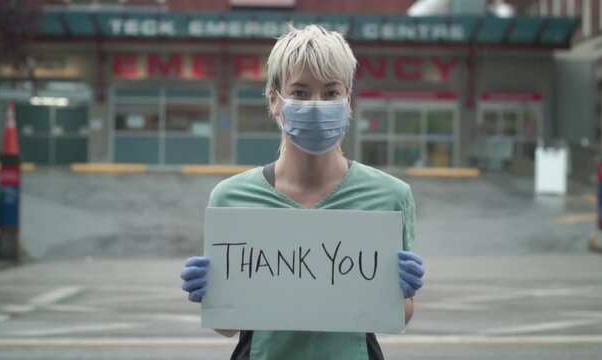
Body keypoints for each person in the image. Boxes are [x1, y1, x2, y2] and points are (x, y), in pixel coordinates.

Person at [180, 24, 425, 360]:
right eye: (299, 92)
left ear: (348, 101)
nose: (315, 104)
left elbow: (398, 315)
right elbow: (227, 326)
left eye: (330, 93)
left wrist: (403, 291)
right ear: (274, 101)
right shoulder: (231, 198)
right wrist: (209, 293)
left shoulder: (390, 196)